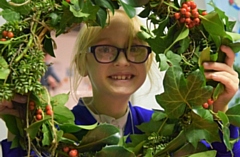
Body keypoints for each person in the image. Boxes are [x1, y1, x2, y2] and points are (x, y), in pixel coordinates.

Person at [0, 9, 240, 157]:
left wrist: (219, 110)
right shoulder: (57, 133)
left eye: (135, 49)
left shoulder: (163, 129)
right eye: (105, 50)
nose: (123, 61)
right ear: (83, 63)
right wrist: (17, 127)